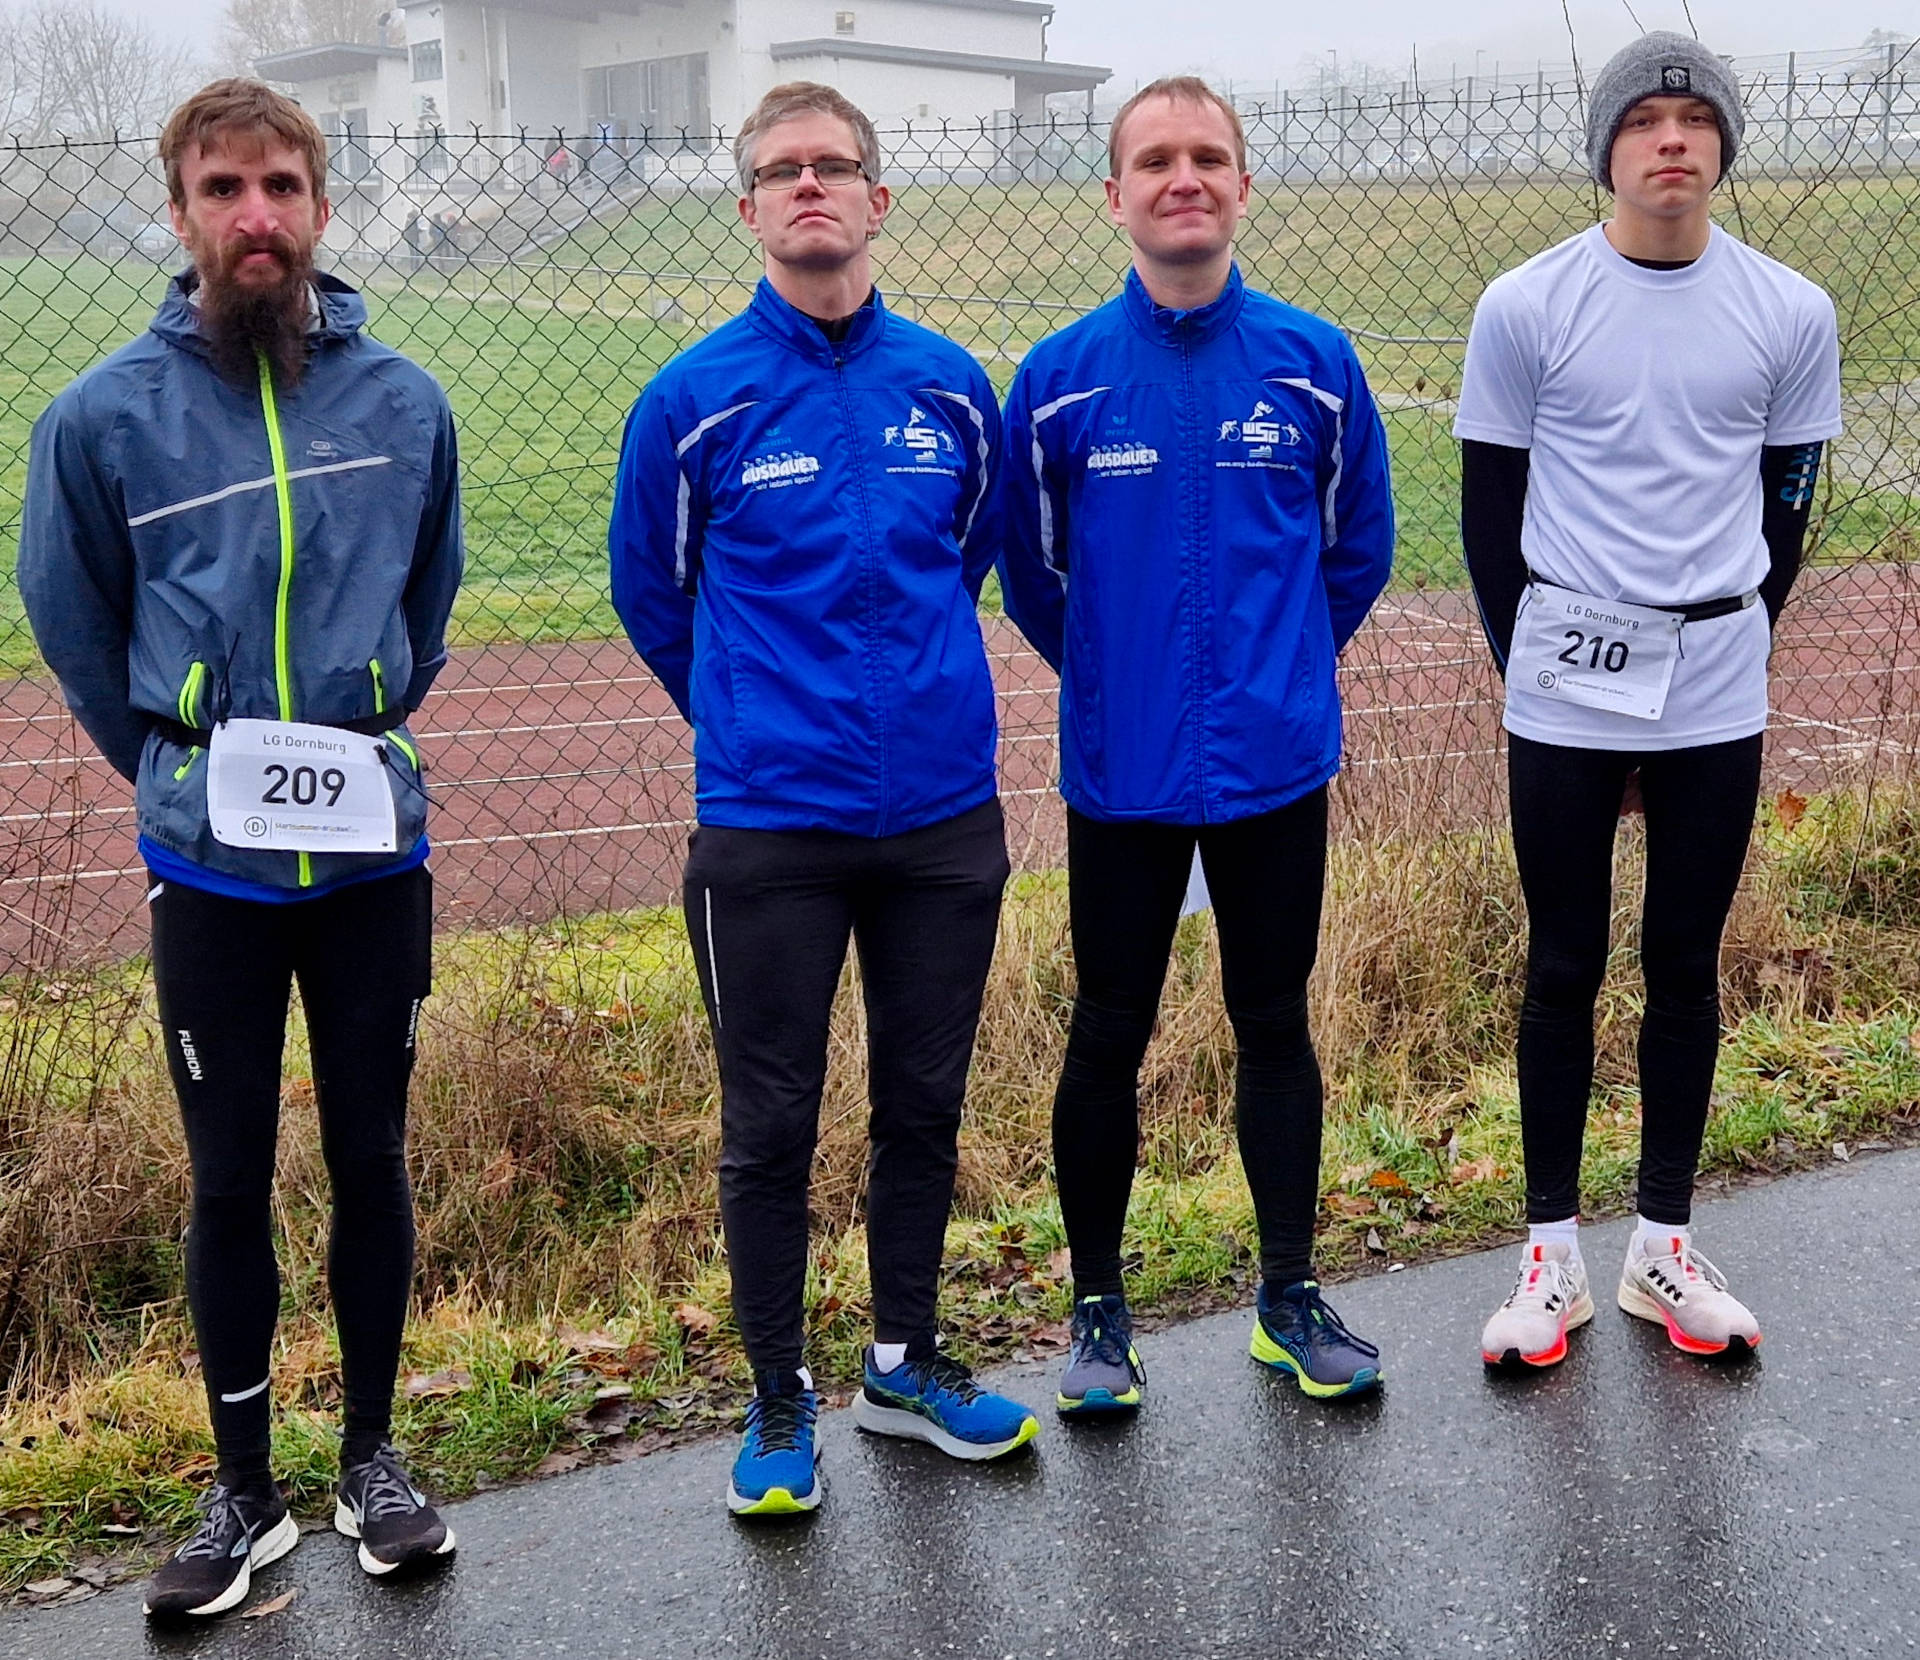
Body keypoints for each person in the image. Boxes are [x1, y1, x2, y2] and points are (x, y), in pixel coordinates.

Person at [19, 79, 464, 1614]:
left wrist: (366, 714)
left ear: (322, 208)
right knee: (226, 1179)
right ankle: (243, 1493)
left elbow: (430, 600)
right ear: (183, 211)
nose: (255, 215)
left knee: (368, 1157)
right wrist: (168, 770)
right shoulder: (101, 419)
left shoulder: (404, 403)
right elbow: (76, 625)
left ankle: (372, 1460)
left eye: (281, 185)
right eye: (224, 189)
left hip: (370, 868)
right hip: (209, 869)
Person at [609, 81, 1038, 1518]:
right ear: (746, 209)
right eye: (780, 171)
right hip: (768, 830)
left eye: (833, 166)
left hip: (937, 820)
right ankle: (776, 1397)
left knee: (924, 1102)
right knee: (769, 1124)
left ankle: (903, 1366)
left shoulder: (949, 386)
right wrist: (755, 719)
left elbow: (970, 558)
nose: (809, 188)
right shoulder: (692, 402)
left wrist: (898, 708)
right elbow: (653, 598)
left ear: (876, 198)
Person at [998, 77, 1396, 1413]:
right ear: (1114, 194)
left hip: (1277, 762)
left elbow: (1354, 556)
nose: (1185, 178)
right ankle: (1099, 1314)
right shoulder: (1055, 386)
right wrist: (1124, 683)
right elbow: (1035, 580)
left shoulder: (1316, 364)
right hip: (1124, 770)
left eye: (1208, 157)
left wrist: (1268, 676)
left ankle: (1287, 1295)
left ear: (1240, 184)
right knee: (1106, 1031)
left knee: (1273, 1024)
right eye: (1155, 160)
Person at [1456, 34, 1840, 1369]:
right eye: (1644, 120)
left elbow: (1786, 512)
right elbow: (1489, 523)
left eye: (1694, 119)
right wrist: (1543, 681)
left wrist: (1712, 654)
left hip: (1717, 680)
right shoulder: (1526, 303)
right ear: (1608, 147)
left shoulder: (1790, 311)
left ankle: (1662, 1247)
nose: (1670, 139)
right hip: (1563, 678)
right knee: (1562, 965)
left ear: (1724, 148)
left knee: (1683, 965)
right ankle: (1547, 1257)